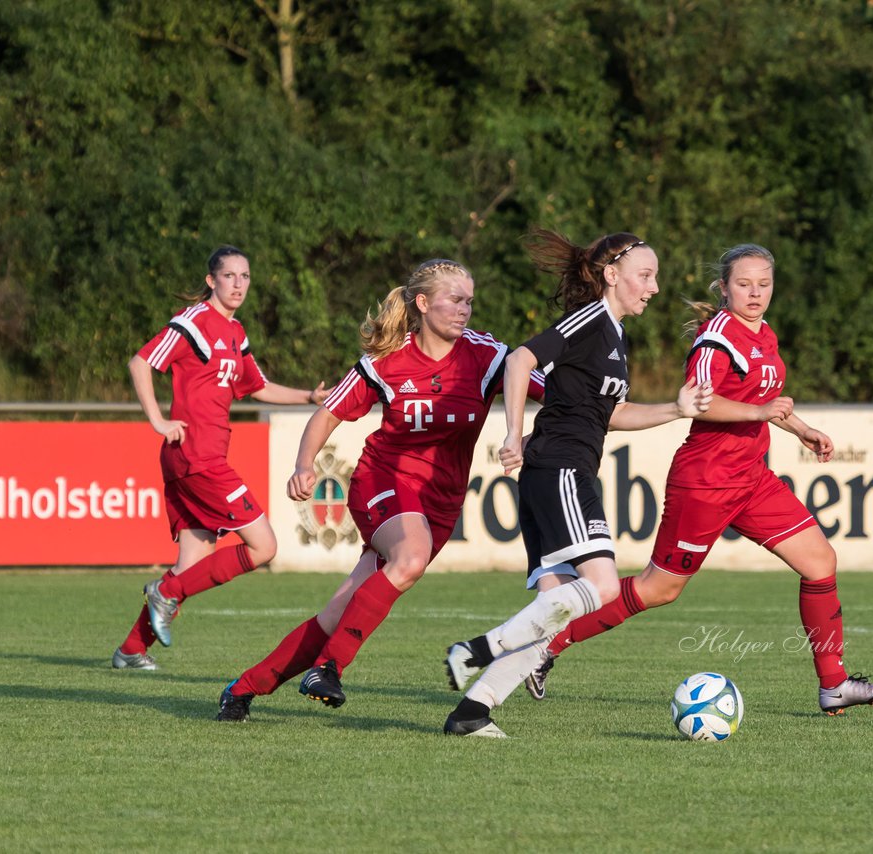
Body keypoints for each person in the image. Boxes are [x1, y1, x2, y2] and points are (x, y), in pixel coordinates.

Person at [522, 243, 873, 716]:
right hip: (706, 481)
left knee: (820, 562)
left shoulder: (764, 335)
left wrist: (802, 430)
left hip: (752, 478)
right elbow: (701, 402)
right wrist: (759, 412)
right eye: (744, 284)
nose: (755, 293)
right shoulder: (716, 337)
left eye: (764, 284)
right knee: (660, 589)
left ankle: (834, 684)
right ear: (724, 288)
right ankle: (547, 643)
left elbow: (768, 397)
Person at [215, 257, 559, 719]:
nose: (465, 310)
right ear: (422, 302)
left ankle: (242, 688)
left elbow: (558, 398)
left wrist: (535, 433)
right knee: (411, 557)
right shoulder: (386, 361)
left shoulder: (487, 355)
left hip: (439, 502)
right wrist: (303, 464)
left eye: (470, 301)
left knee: (336, 615)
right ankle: (330, 668)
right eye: (454, 300)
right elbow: (327, 415)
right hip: (383, 480)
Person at [442, 229, 713, 738]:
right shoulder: (591, 320)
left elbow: (612, 413)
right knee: (605, 585)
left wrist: (675, 410)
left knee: (554, 616)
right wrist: (515, 433)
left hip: (561, 471)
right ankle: (477, 650)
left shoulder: (615, 335)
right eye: (645, 275)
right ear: (612, 275)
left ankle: (471, 712)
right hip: (559, 467)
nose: (653, 287)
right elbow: (520, 359)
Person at [111, 244, 329, 670]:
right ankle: (165, 593)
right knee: (264, 546)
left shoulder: (235, 331)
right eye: (230, 276)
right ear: (211, 280)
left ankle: (132, 650)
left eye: (245, 277)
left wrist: (308, 396)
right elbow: (140, 362)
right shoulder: (194, 322)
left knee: (190, 566)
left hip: (198, 459)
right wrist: (157, 421)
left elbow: (257, 386)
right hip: (198, 458)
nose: (239, 284)